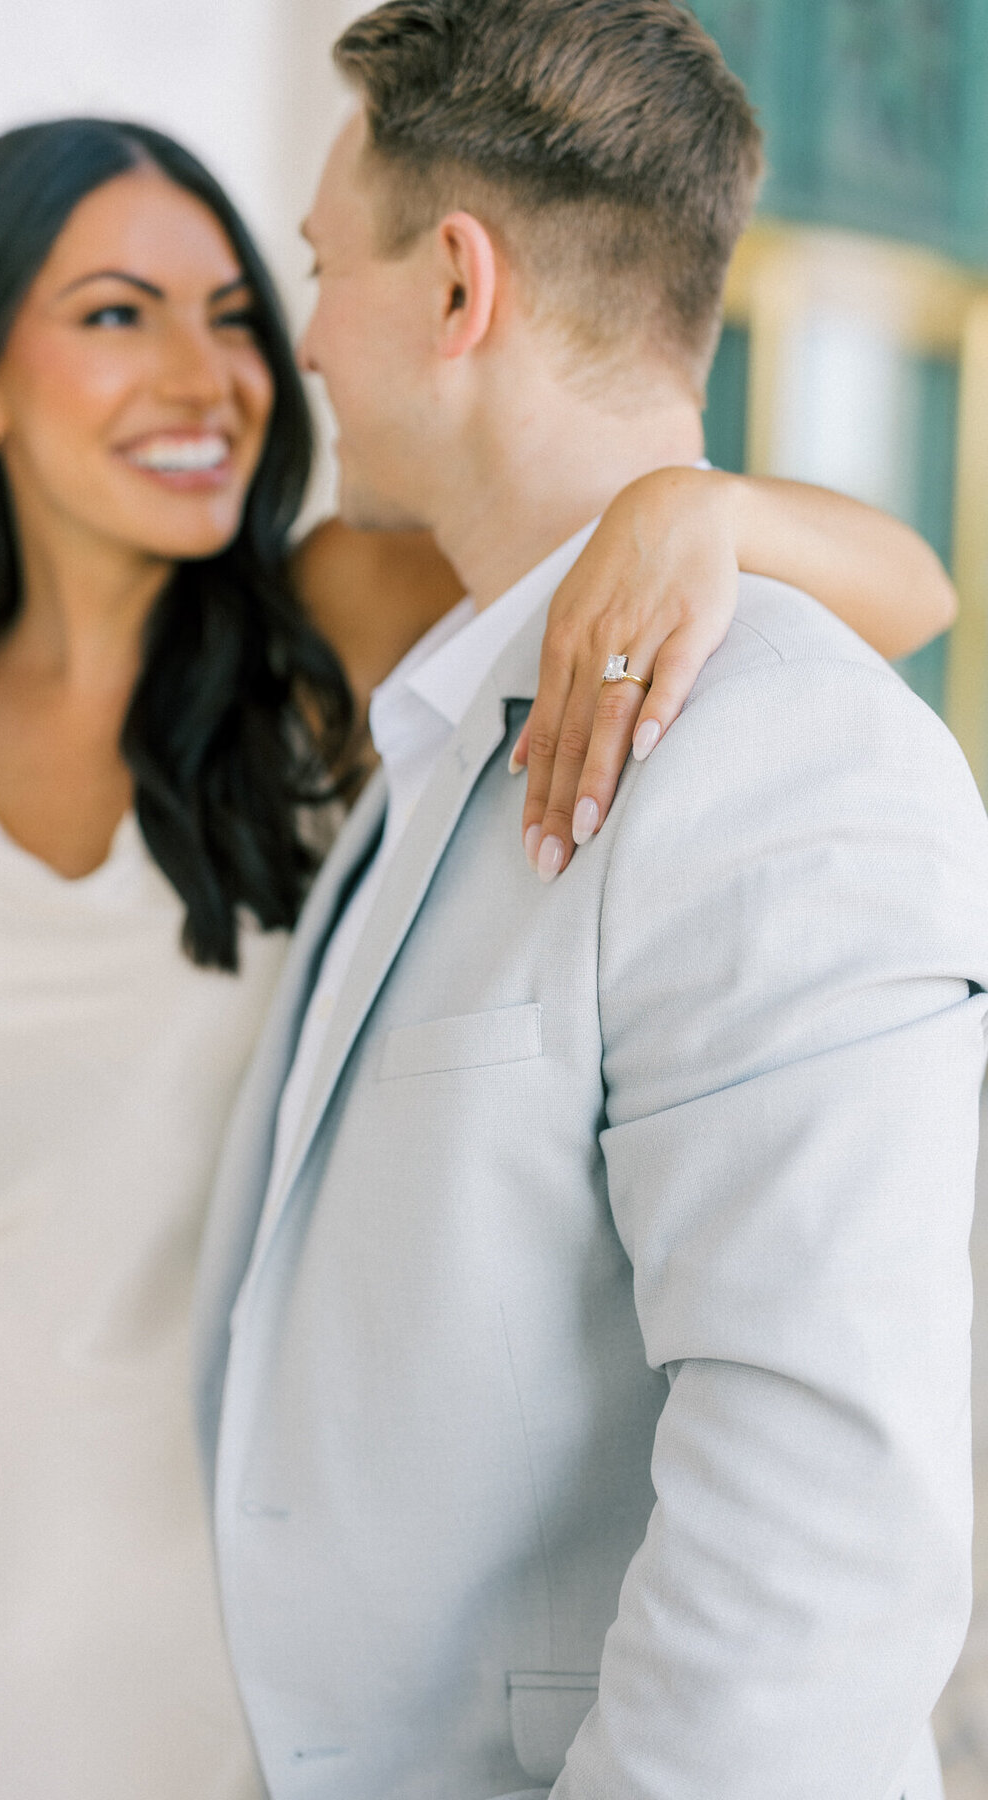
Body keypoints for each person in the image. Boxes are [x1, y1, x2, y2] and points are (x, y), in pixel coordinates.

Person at [0, 107, 960, 1800]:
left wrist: (698, 513)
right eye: (120, 314)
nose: (209, 376)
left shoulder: (341, 610)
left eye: (241, 312)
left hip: (240, 1602)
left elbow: (910, 587)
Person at [185, 6, 988, 1799]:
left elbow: (816, 1549)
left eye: (322, 268)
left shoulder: (794, 758)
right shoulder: (437, 687)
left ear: (455, 287)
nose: (305, 336)